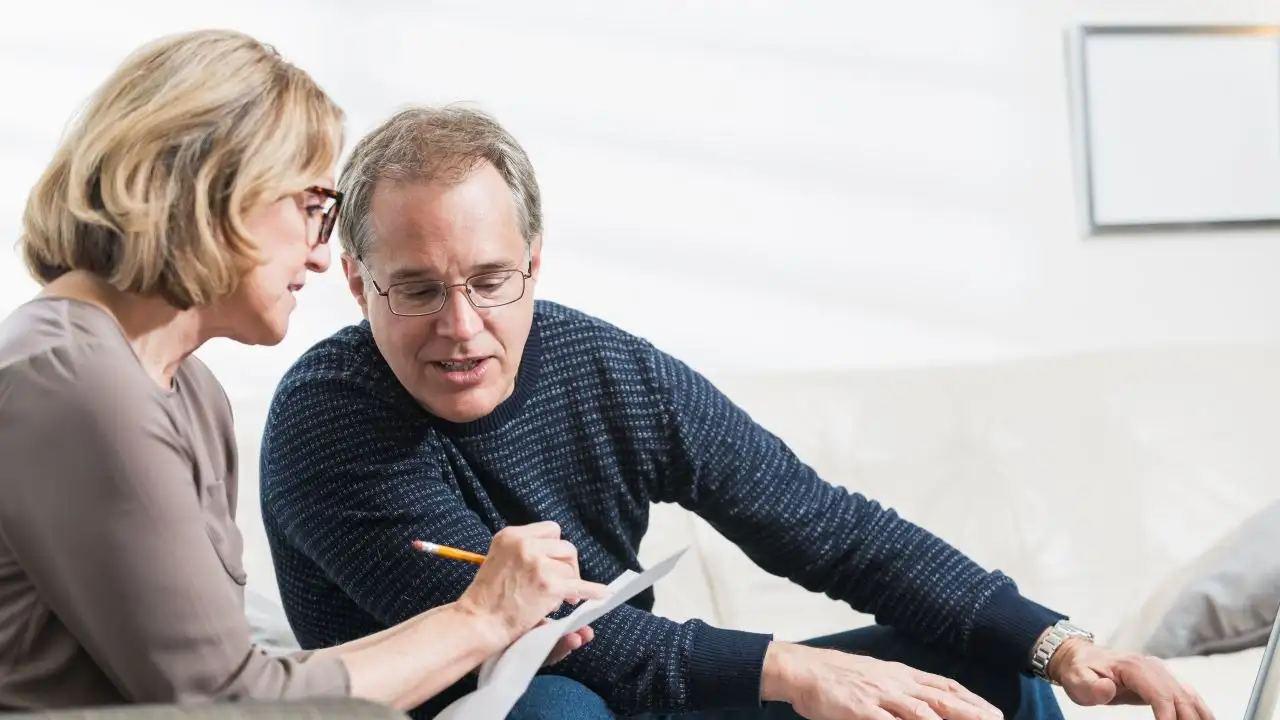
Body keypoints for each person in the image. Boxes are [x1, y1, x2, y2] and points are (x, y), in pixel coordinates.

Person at [258, 104, 1214, 720]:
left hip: (646, 694)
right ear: (356, 281)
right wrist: (790, 668)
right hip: (485, 710)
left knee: (983, 680)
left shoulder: (605, 370)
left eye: (491, 281)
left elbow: (829, 531)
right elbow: (536, 645)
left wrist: (1061, 643)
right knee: (553, 708)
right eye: (417, 290)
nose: (461, 327)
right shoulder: (329, 421)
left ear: (536, 265)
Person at [0, 31, 613, 719]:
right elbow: (232, 705)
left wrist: (485, 624)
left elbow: (240, 677)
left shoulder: (185, 390)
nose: (324, 259)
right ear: (218, 189)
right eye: (313, 208)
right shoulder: (75, 384)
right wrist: (479, 620)